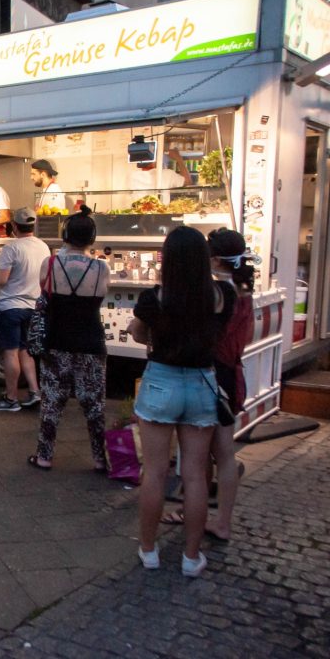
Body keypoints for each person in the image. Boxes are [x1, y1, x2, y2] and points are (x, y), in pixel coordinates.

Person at [129, 226, 236, 577]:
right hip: (202, 383)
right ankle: (191, 557)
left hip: (161, 381)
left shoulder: (154, 298)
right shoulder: (221, 296)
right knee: (195, 476)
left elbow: (138, 332)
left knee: (155, 473)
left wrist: (152, 335)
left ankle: (148, 550)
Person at [27, 206, 110, 470]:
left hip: (56, 342)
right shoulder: (101, 269)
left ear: (64, 235)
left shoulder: (50, 265)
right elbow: (100, 296)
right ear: (92, 238)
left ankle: (44, 456)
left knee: (52, 402)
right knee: (94, 406)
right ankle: (99, 458)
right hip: (91, 343)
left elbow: (44, 289)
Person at [204, 228, 257, 541]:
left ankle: (204, 515)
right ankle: (221, 519)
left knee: (203, 454)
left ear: (214, 258)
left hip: (214, 376)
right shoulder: (244, 292)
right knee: (224, 453)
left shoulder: (218, 294)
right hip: (232, 375)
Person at [0, 207, 51, 412]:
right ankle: (34, 392)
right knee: (27, 351)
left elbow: (1, 279)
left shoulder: (12, 248)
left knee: (11, 352)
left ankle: (11, 398)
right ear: (33, 225)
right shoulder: (44, 247)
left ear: (14, 225)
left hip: (9, 307)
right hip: (33, 307)